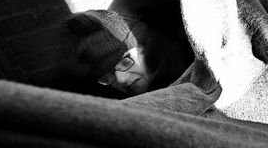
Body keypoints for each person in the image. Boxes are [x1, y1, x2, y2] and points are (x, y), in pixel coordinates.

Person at [66, 9, 194, 98]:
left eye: (125, 62)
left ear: (148, 50)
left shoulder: (194, 79)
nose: (121, 80)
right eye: (108, 76)